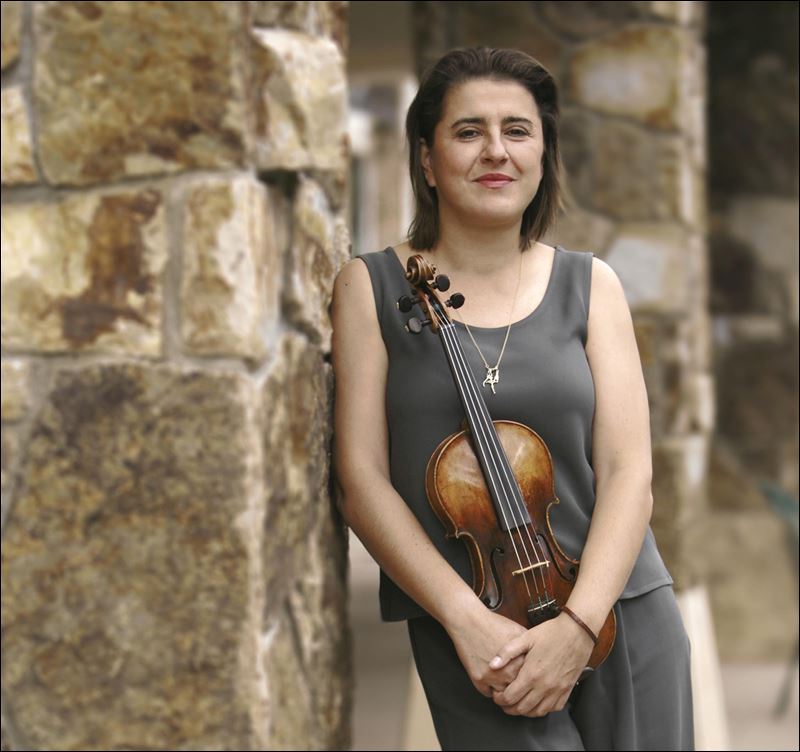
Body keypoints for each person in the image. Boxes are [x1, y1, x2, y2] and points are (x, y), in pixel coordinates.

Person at [331, 46, 693, 751]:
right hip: (480, 631)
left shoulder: (591, 285)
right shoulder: (370, 287)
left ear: (542, 154)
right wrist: (465, 621)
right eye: (468, 131)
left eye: (517, 131)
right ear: (427, 159)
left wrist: (578, 626)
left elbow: (629, 473)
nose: (496, 151)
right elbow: (361, 481)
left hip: (620, 607)